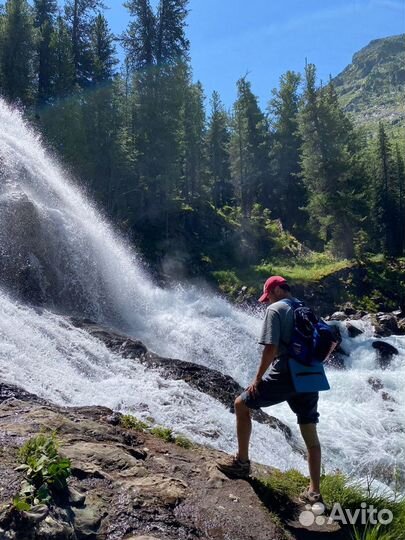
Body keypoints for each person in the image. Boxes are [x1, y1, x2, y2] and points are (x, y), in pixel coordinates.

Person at [217, 275, 323, 504]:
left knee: (241, 404)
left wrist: (258, 378)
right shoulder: (305, 308)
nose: (266, 302)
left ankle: (242, 463)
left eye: (267, 296)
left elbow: (270, 347)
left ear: (275, 290)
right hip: (312, 373)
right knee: (309, 429)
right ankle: (314, 492)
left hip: (287, 371)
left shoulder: (276, 309)